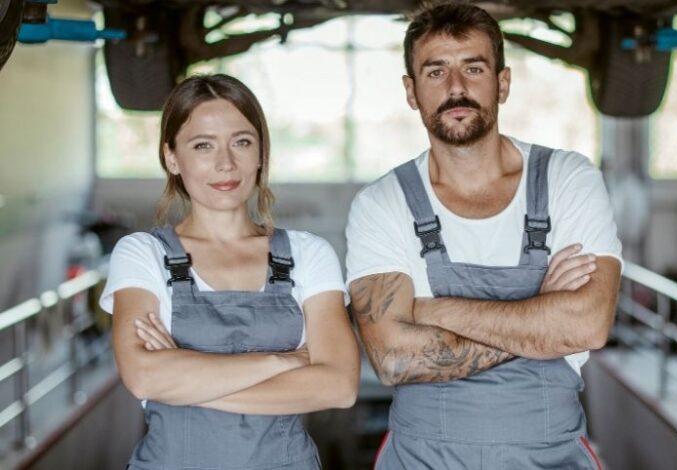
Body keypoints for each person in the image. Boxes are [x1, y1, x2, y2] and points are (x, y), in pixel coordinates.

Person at [345, 3, 622, 469]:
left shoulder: (567, 179)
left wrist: (434, 312)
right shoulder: (382, 203)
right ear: (411, 92)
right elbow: (393, 359)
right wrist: (540, 315)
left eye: (473, 68)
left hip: (551, 457)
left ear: (503, 82)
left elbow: (588, 325)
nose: (456, 88)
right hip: (422, 460)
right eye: (436, 72)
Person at [99, 74, 359, 470]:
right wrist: (279, 361)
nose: (226, 163)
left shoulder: (309, 254)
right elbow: (144, 378)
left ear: (260, 154)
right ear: (171, 158)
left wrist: (186, 378)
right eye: (203, 145)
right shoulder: (142, 254)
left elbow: (338, 387)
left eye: (241, 142)